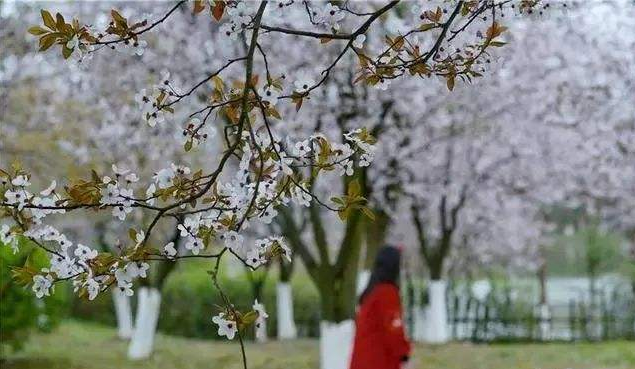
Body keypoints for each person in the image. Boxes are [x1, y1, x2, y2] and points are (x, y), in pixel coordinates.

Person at [350, 246, 412, 369]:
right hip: (379, 361)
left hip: (363, 360)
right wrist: (404, 356)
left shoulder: (370, 293)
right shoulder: (387, 292)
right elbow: (394, 329)